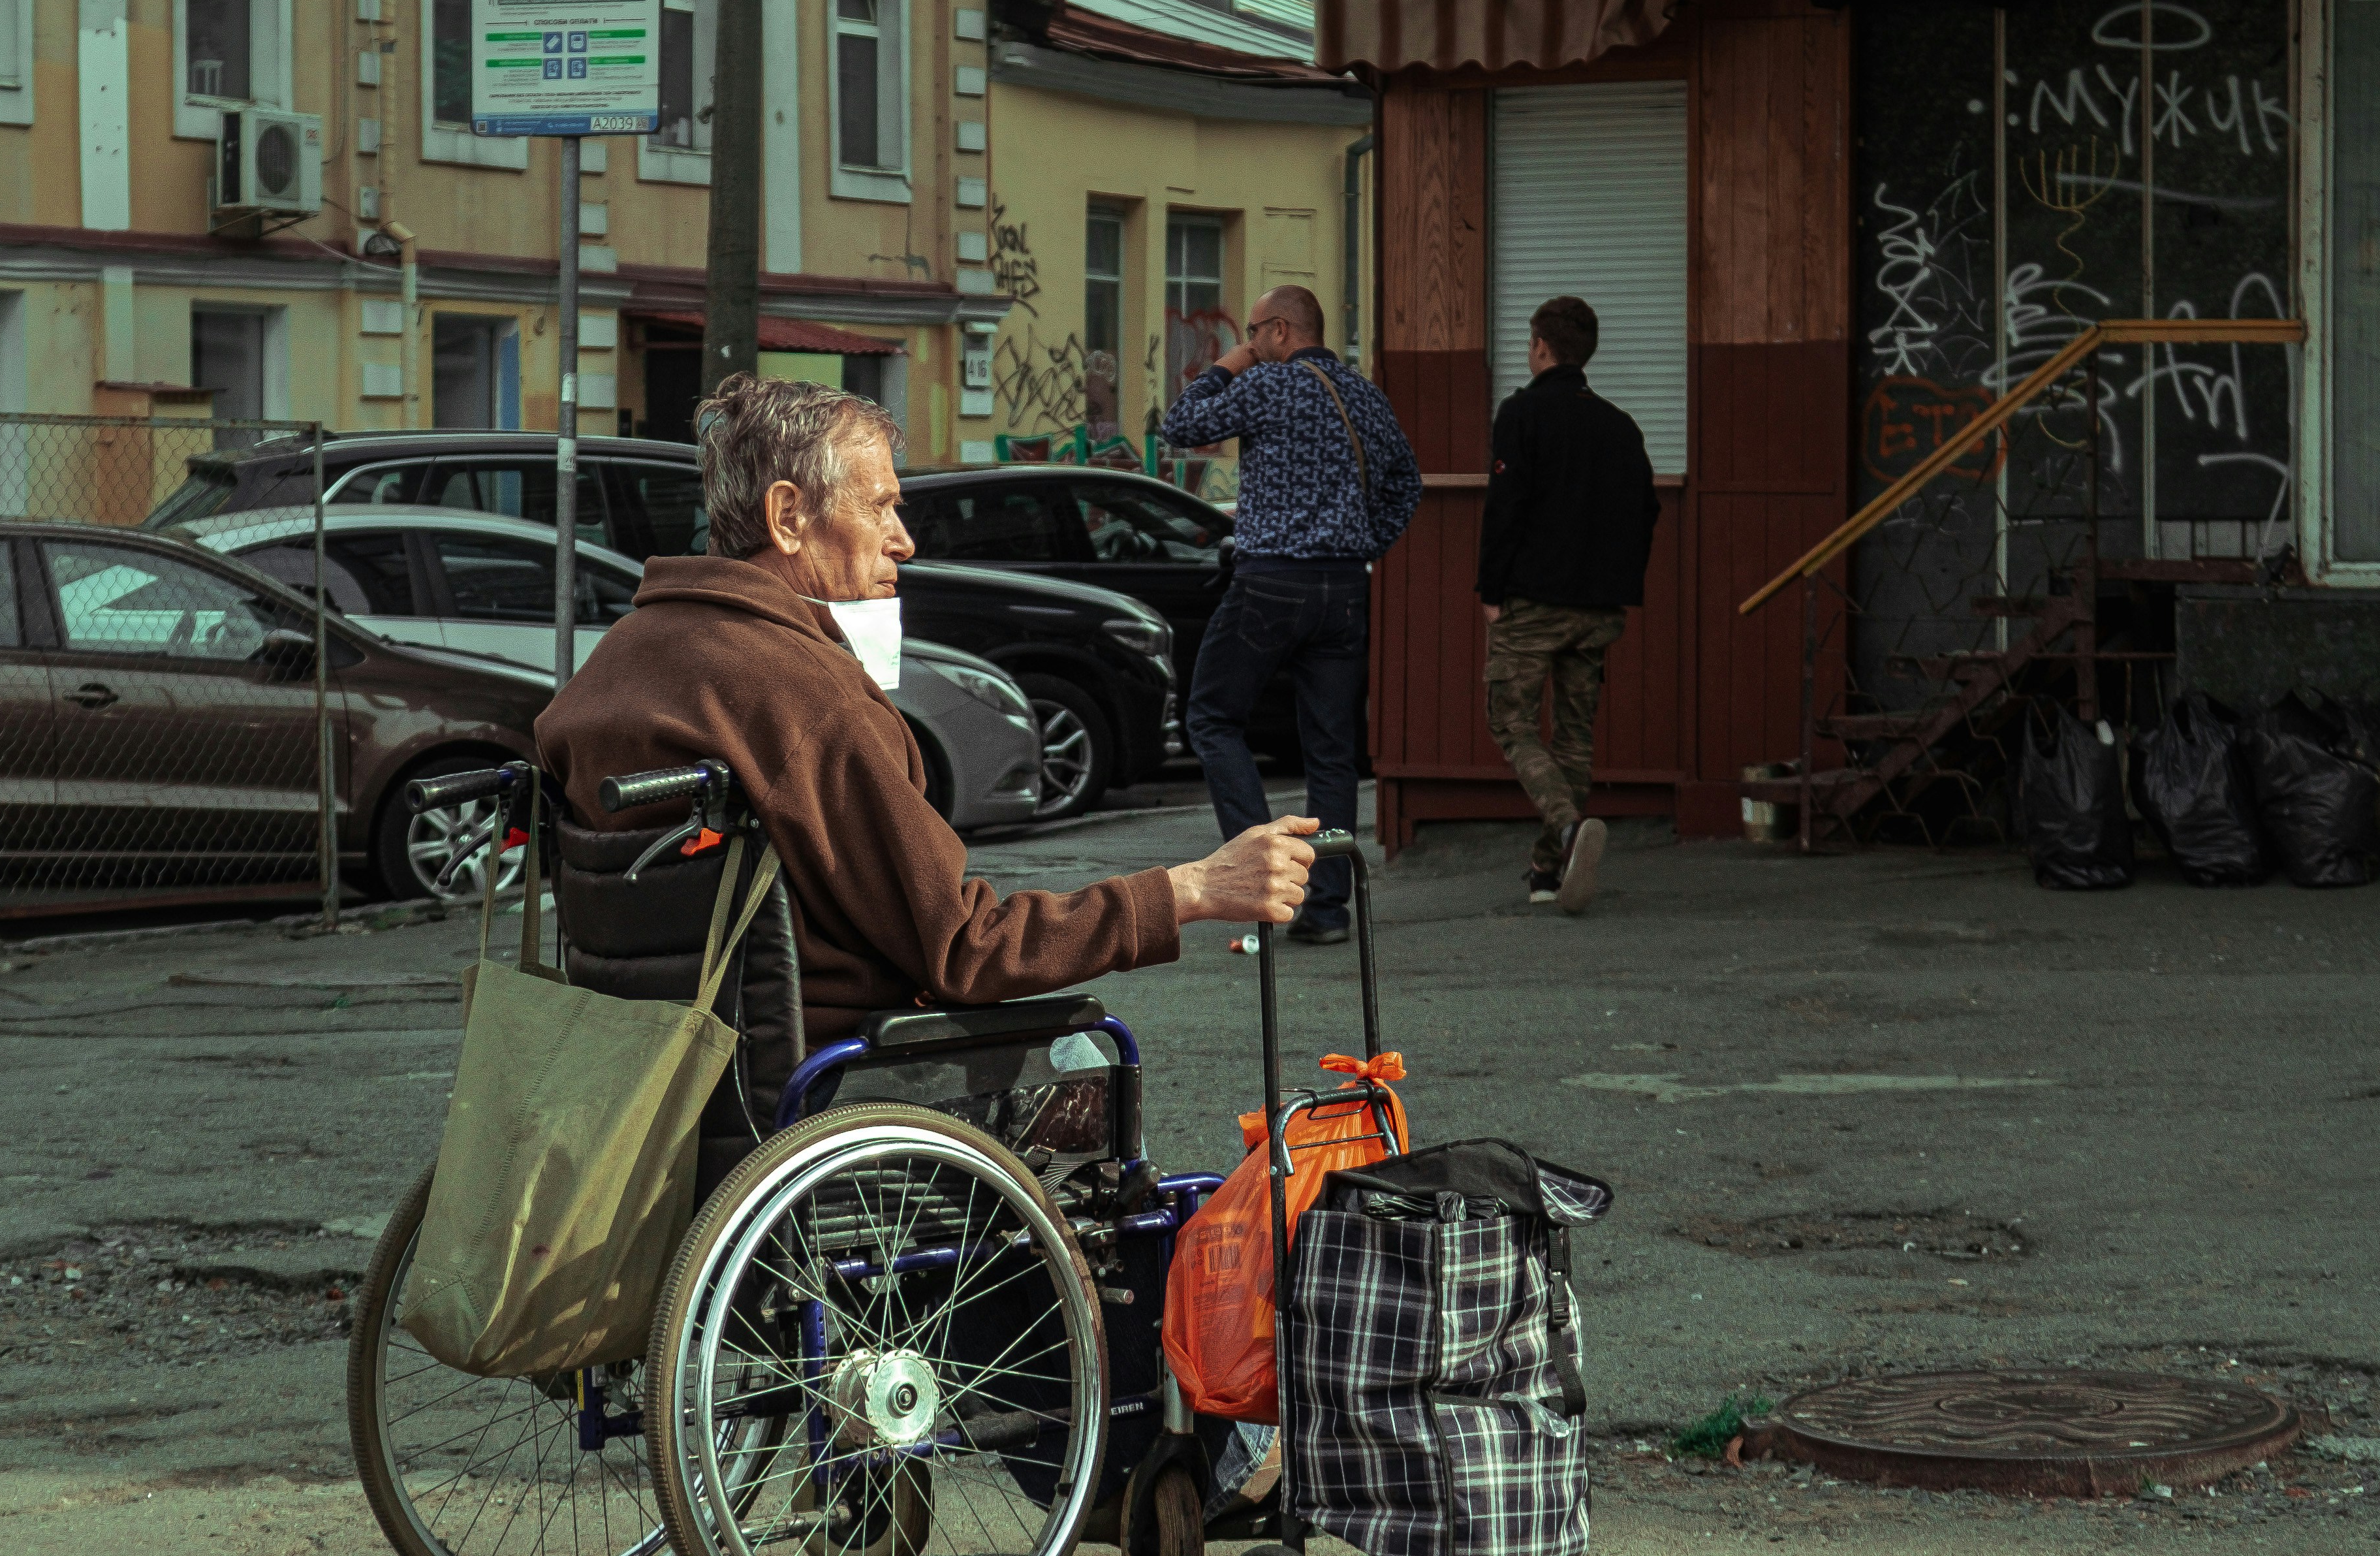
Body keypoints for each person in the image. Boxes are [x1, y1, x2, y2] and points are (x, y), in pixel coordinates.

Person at [537, 373, 1316, 1040]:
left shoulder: (621, 658)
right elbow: (967, 950)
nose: (902, 540)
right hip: (828, 1071)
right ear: (787, 517)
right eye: (878, 508)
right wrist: (1190, 889)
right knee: (1089, 1063)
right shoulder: (804, 694)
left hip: (658, 1061)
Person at [1155, 283, 1421, 950]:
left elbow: (1181, 425)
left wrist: (1228, 363)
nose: (1248, 343)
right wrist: (1363, 544)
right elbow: (1404, 484)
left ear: (1279, 331)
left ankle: (1257, 887)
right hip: (1343, 588)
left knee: (1213, 718)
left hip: (1272, 582)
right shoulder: (1362, 394)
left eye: (1252, 333)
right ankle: (1327, 909)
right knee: (1330, 750)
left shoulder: (1271, 385)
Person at [1475, 292, 1660, 917]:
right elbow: (1646, 512)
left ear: (1541, 349)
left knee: (1512, 721)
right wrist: (1619, 583)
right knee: (1575, 737)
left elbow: (1506, 506)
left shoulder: (1522, 415)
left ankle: (1567, 827)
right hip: (1600, 607)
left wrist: (1492, 591)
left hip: (1533, 601)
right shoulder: (1620, 427)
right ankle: (1546, 873)